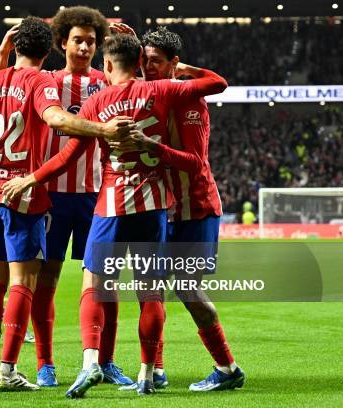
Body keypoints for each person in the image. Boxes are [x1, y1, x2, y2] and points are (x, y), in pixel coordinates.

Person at [2, 33, 228, 397]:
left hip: (110, 202)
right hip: (154, 203)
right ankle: (148, 372)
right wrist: (178, 70)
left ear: (106, 65)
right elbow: (217, 83)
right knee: (150, 292)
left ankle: (91, 362)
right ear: (139, 61)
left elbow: (67, 157)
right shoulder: (164, 92)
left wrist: (31, 177)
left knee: (93, 284)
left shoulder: (97, 101)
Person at [0, 16, 133, 392]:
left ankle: (107, 360)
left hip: (96, 193)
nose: (84, 47)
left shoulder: (105, 82)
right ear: (61, 45)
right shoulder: (47, 81)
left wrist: (135, 60)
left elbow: (139, 99)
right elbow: (20, 98)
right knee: (43, 282)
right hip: (47, 192)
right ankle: (45, 364)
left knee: (106, 283)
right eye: (77, 40)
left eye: (90, 41)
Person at [127, 26, 244, 392]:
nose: (147, 68)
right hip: (161, 208)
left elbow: (194, 162)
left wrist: (150, 145)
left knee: (187, 289)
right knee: (149, 288)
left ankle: (227, 368)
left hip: (194, 208)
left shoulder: (190, 101)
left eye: (155, 62)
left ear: (175, 64)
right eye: (143, 61)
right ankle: (155, 370)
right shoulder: (152, 94)